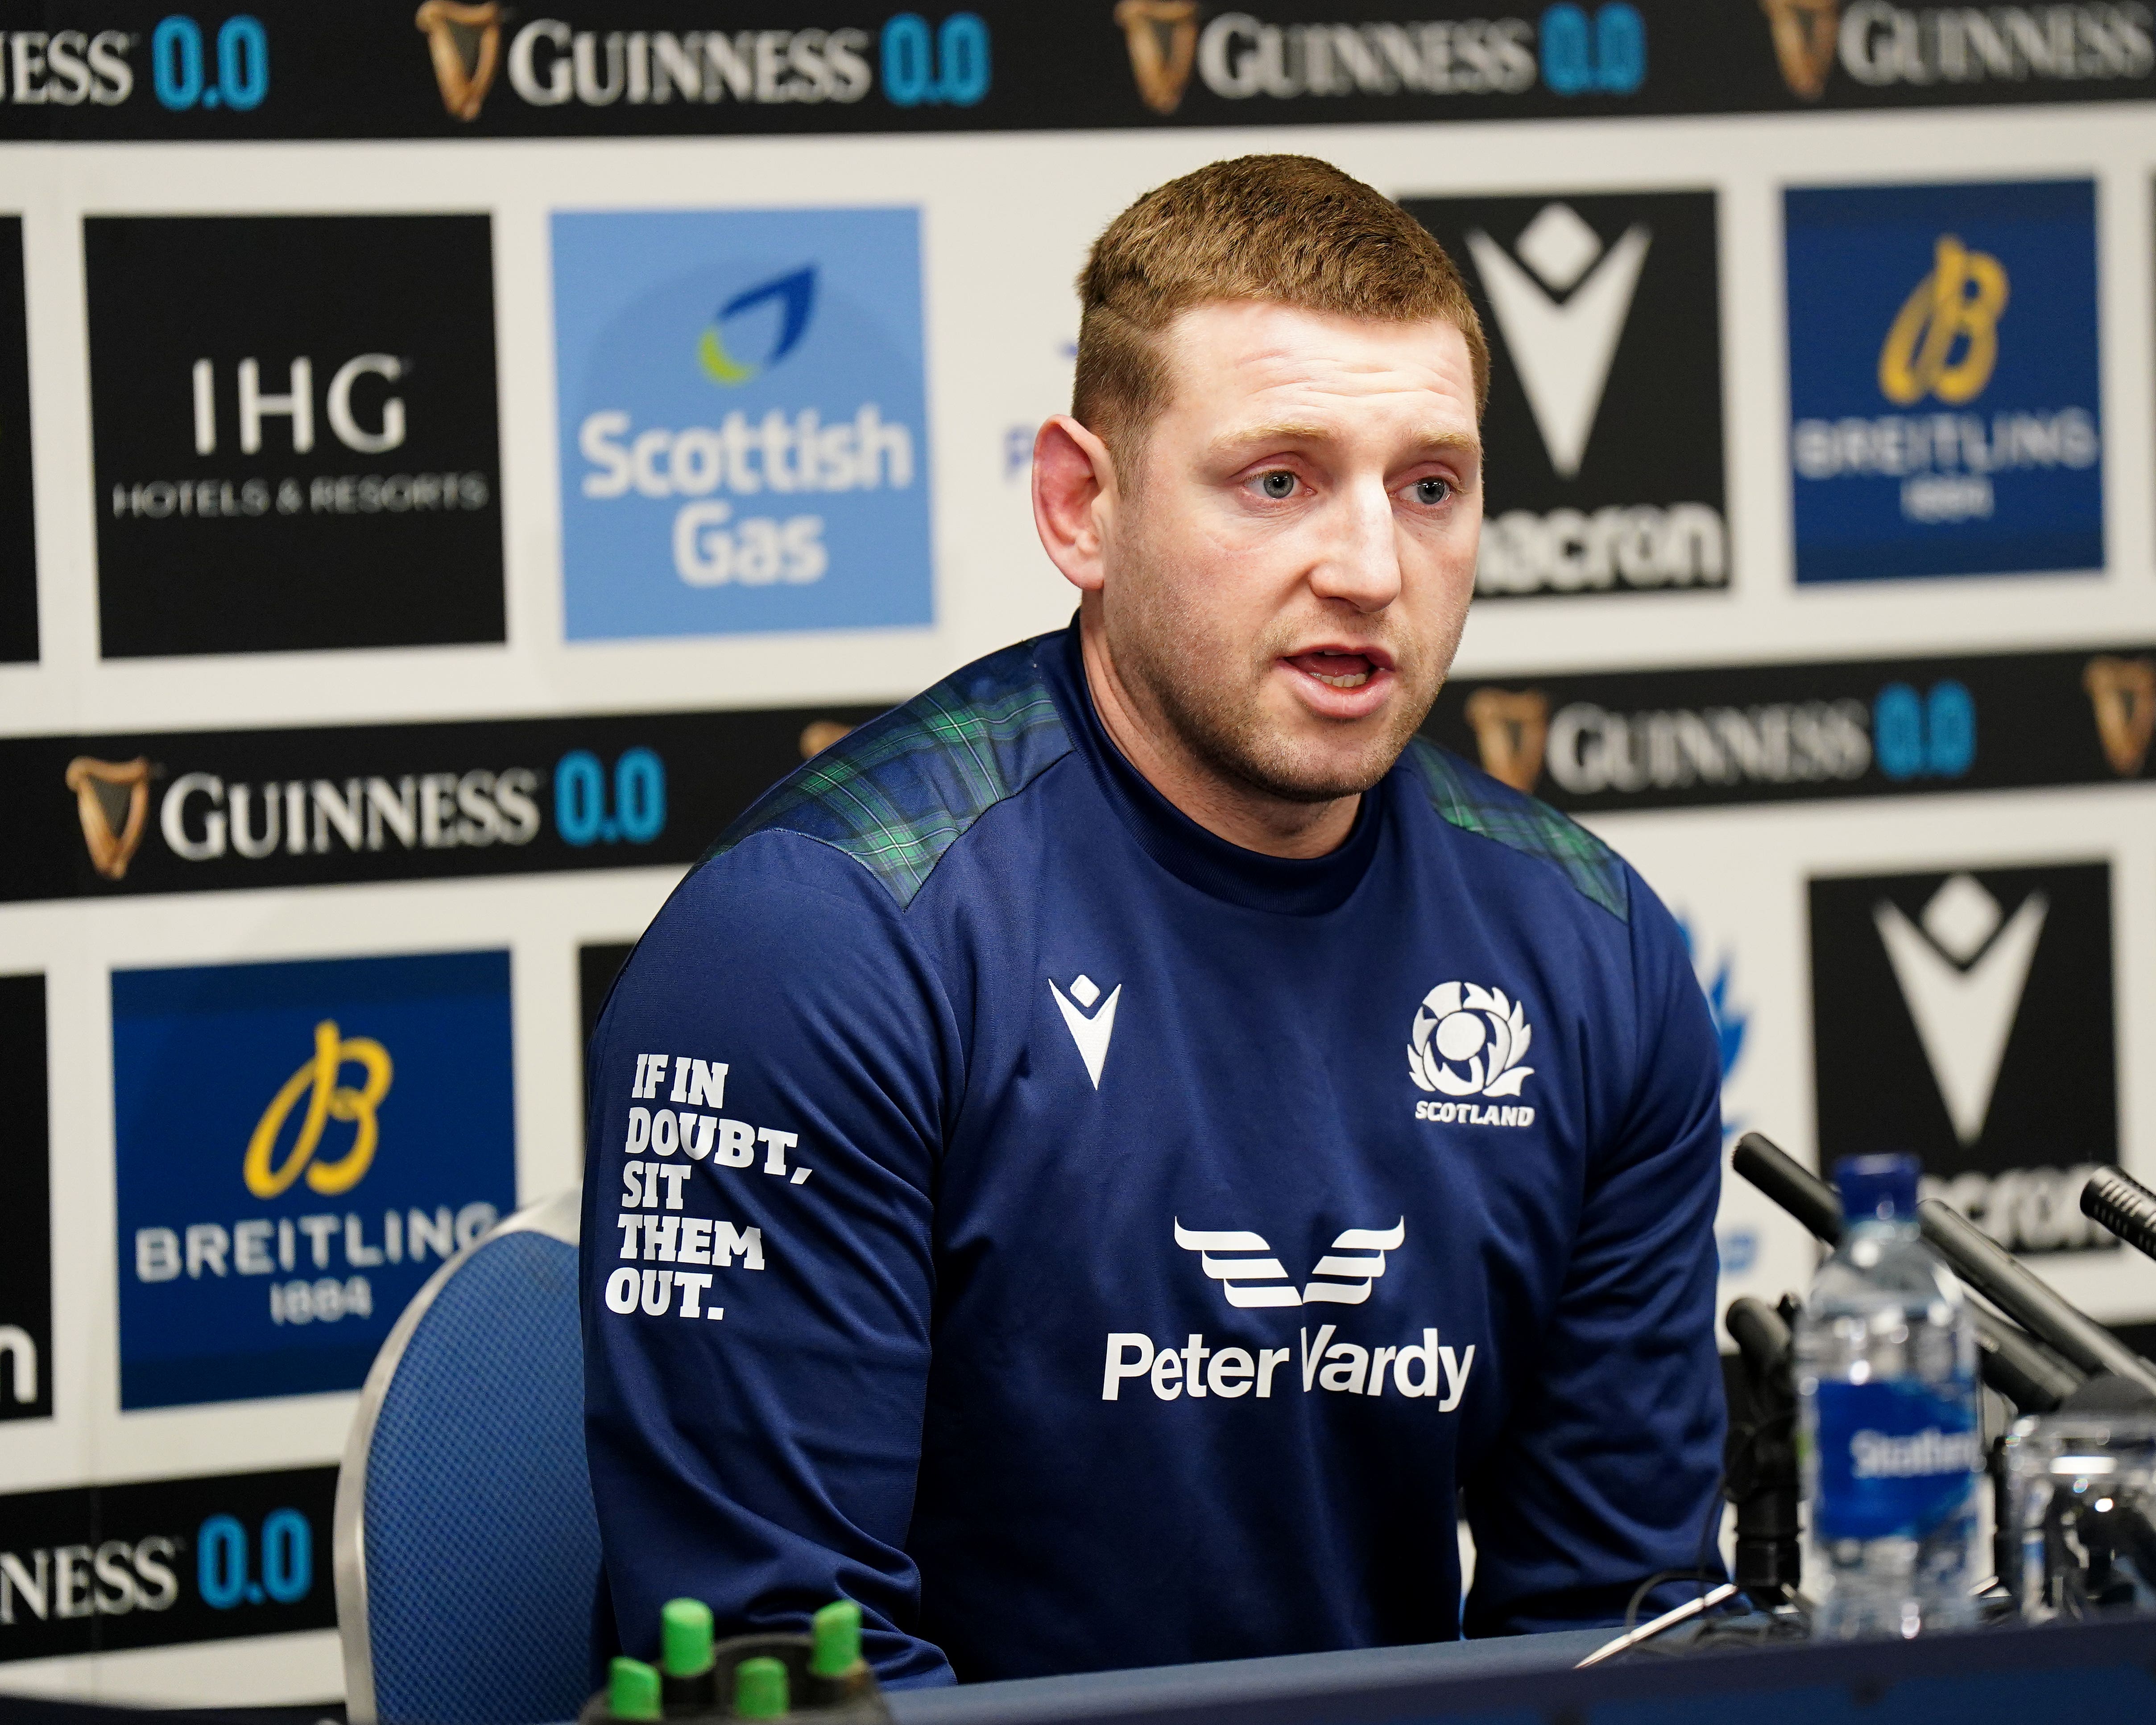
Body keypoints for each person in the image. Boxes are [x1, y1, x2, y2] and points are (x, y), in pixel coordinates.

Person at [582, 153, 1725, 1688]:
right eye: (1279, 479)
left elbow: (1617, 1637)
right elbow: (788, 1665)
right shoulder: (822, 936)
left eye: (1430, 486)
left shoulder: (1594, 951)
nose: (1373, 567)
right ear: (1081, 505)